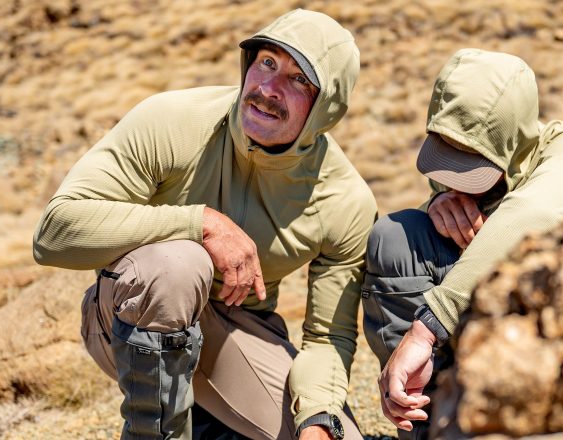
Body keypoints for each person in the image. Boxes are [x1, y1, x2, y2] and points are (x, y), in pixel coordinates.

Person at [32, 9, 374, 440]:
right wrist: (201, 224)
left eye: (298, 80)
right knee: (178, 263)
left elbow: (326, 338)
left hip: (238, 331)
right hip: (127, 316)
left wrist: (319, 416)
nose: (268, 89)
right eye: (267, 63)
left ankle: (212, 419)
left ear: (327, 108)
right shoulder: (172, 119)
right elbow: (54, 233)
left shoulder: (344, 200)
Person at [361, 49, 563, 439]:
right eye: (446, 160)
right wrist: (436, 203)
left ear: (513, 141)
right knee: (396, 235)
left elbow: (530, 214)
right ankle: (424, 421)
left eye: (470, 168)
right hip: (469, 318)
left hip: (552, 330)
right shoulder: (455, 183)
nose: (455, 182)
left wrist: (427, 329)